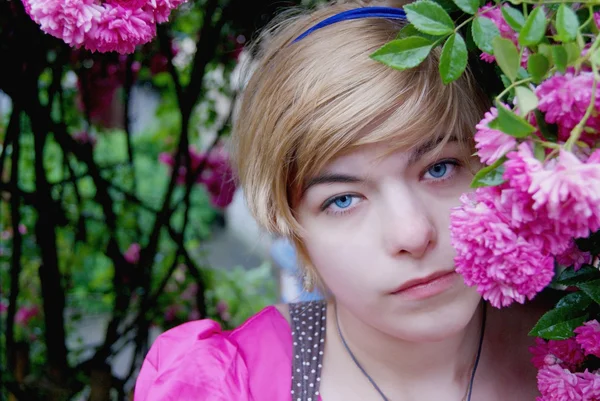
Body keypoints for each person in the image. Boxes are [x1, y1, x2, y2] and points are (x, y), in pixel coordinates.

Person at [134, 1, 551, 400]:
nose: (413, 232)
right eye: (343, 200)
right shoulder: (229, 386)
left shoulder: (577, 343)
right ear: (290, 224)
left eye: (439, 168)